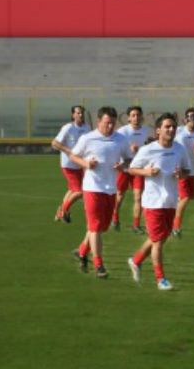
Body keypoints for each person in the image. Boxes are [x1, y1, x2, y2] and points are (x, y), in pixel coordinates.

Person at [126, 113, 192, 290]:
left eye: (173, 127)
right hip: (153, 202)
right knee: (157, 241)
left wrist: (181, 174)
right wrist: (147, 173)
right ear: (158, 130)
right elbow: (132, 169)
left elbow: (187, 170)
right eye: (167, 127)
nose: (171, 129)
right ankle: (160, 278)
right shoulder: (148, 150)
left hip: (171, 201)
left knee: (160, 238)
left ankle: (136, 260)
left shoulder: (180, 149)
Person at [68, 106, 133, 278]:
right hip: (92, 188)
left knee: (101, 227)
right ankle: (99, 265)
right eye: (106, 123)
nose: (110, 127)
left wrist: (123, 166)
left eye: (112, 123)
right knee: (95, 227)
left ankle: (82, 251)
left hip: (110, 189)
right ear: (98, 122)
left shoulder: (120, 139)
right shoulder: (88, 138)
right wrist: (86, 164)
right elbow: (73, 156)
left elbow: (129, 159)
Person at [113, 105, 151, 233]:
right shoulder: (122, 131)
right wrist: (129, 149)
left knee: (138, 197)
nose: (136, 118)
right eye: (133, 115)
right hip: (125, 168)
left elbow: (150, 146)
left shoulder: (146, 131)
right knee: (119, 195)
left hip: (139, 168)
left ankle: (136, 225)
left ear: (142, 117)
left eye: (138, 115)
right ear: (128, 118)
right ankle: (115, 218)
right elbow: (116, 147)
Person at [51, 105, 90, 223]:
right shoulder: (68, 128)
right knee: (80, 192)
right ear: (73, 115)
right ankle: (64, 211)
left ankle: (60, 213)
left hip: (79, 165)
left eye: (82, 112)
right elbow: (55, 143)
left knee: (73, 190)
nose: (80, 115)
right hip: (68, 165)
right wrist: (69, 151)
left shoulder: (87, 127)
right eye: (77, 113)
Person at [172, 107, 194, 237]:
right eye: (190, 117)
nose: (193, 120)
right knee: (185, 198)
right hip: (181, 170)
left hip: (192, 171)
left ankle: (170, 218)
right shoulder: (179, 132)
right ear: (185, 119)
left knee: (188, 198)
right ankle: (176, 226)